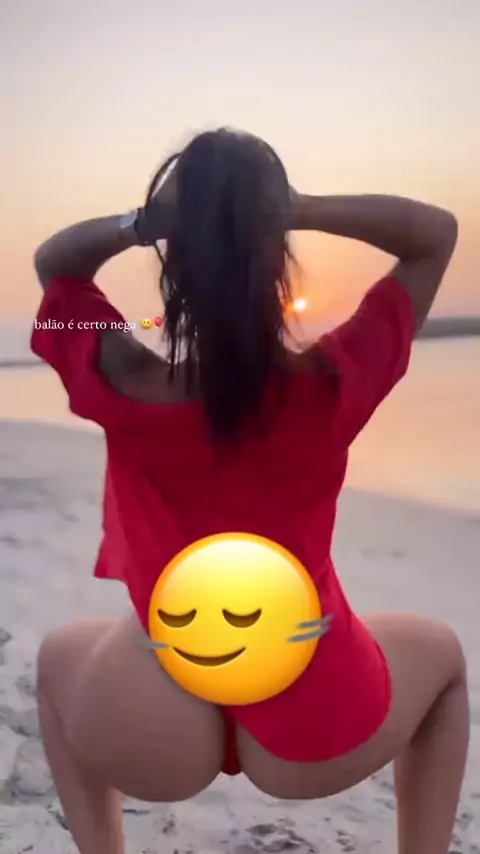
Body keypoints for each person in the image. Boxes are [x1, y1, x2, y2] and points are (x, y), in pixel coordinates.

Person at [31, 128, 468, 854]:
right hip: (312, 704)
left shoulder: (122, 380)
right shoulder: (333, 386)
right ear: (276, 259)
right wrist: (295, 207)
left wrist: (144, 223)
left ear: (175, 265)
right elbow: (434, 235)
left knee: (56, 661)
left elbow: (56, 268)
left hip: (158, 701)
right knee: (444, 660)